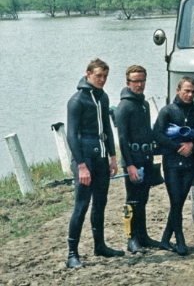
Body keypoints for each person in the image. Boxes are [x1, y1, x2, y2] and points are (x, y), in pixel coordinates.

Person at [66, 58, 124, 268]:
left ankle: (100, 246)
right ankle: (72, 253)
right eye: (98, 76)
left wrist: (113, 157)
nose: (102, 80)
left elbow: (107, 128)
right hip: (85, 157)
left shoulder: (103, 97)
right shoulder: (77, 100)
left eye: (105, 76)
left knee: (100, 203)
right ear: (88, 74)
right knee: (81, 205)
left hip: (101, 157)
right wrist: (81, 166)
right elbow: (71, 135)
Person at [153, 76, 194, 256]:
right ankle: (180, 240)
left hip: (190, 163)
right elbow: (157, 134)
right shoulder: (167, 111)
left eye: (193, 92)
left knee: (179, 202)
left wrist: (192, 145)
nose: (189, 95)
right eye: (186, 91)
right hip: (172, 163)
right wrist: (177, 147)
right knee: (176, 201)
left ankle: (165, 239)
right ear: (178, 90)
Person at [115, 65, 160, 254]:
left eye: (142, 80)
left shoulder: (144, 104)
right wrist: (130, 165)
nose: (140, 84)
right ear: (128, 83)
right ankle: (131, 238)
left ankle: (143, 236)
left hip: (145, 158)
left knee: (143, 199)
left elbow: (146, 132)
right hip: (132, 161)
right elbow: (122, 139)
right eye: (135, 81)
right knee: (132, 200)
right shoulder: (124, 107)